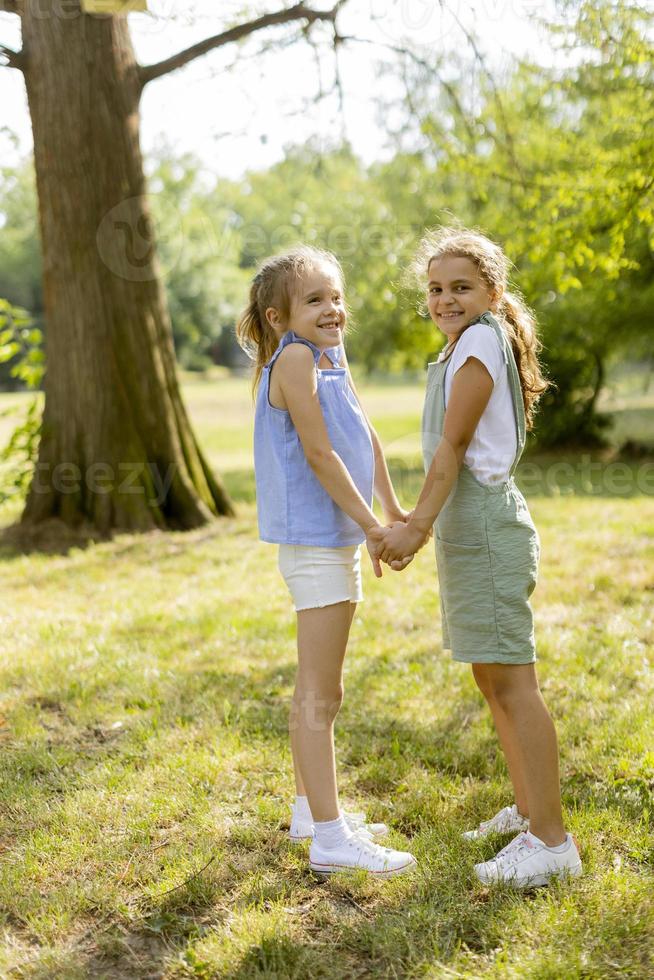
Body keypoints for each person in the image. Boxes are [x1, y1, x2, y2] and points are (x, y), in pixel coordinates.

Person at [372, 227, 583, 888]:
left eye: (460, 287)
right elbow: (445, 457)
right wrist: (413, 514)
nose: (445, 299)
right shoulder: (465, 346)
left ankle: (552, 843)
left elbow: (453, 449)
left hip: (487, 526)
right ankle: (527, 810)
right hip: (470, 526)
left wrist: (415, 530)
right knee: (489, 678)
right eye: (436, 289)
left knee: (515, 683)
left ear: (492, 292)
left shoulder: (480, 343)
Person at [236, 245, 416, 877]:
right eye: (314, 300)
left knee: (322, 688)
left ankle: (311, 811)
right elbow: (318, 453)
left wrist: (390, 509)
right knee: (319, 691)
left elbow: (362, 433)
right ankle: (331, 839)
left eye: (336, 296)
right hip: (315, 540)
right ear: (279, 316)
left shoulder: (328, 356)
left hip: (334, 535)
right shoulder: (292, 361)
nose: (332, 308)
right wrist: (372, 528)